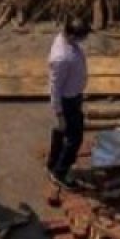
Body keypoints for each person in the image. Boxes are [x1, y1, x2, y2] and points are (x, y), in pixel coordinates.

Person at [47, 18, 90, 188]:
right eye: (81, 37)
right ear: (71, 35)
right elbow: (55, 88)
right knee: (74, 138)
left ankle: (53, 162)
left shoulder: (67, 43)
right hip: (68, 101)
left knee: (63, 131)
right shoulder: (61, 58)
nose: (83, 41)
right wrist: (59, 113)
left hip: (74, 96)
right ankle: (60, 173)